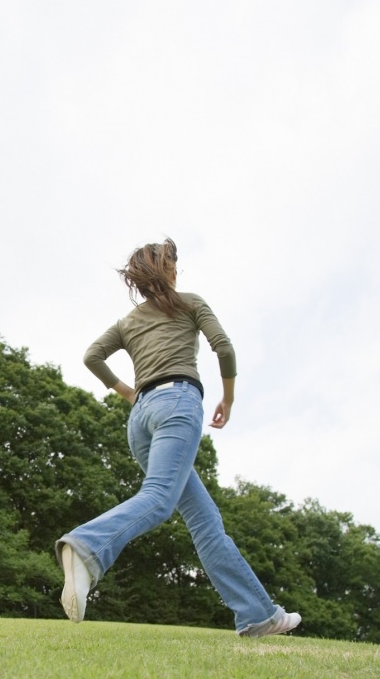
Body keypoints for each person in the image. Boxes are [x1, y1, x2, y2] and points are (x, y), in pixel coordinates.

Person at [55, 238, 301, 638]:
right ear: (166, 269)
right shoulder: (190, 302)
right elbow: (224, 348)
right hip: (178, 404)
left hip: (140, 420)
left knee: (206, 524)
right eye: (174, 263)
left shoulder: (127, 323)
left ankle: (258, 615)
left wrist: (129, 393)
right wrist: (229, 399)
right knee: (157, 499)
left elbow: (91, 357)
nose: (176, 270)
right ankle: (86, 547)